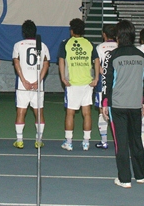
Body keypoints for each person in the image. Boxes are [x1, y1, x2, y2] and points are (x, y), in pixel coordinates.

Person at [101, 19, 144, 188]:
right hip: (135, 103)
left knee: (121, 143)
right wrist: (143, 101)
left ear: (117, 36)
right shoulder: (141, 56)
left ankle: (125, 179)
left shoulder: (112, 56)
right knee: (136, 140)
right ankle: (141, 175)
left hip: (118, 104)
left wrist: (105, 102)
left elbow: (107, 81)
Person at [58, 18, 98, 151]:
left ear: (71, 30)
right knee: (87, 113)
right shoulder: (89, 44)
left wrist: (63, 77)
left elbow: (61, 60)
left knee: (70, 113)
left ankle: (69, 142)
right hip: (87, 83)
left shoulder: (65, 43)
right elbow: (97, 60)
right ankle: (86, 142)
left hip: (72, 84)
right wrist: (96, 78)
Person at [12, 20, 49, 149]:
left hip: (23, 87)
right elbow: (46, 64)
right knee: (39, 113)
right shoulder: (42, 45)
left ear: (23, 32)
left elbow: (16, 63)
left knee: (20, 112)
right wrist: (38, 81)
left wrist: (23, 81)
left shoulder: (18, 45)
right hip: (38, 87)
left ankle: (19, 140)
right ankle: (38, 140)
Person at [92, 24, 118, 149]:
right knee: (118, 111)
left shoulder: (99, 47)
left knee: (102, 110)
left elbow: (98, 65)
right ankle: (120, 140)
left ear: (104, 34)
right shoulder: (119, 46)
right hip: (118, 82)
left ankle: (104, 141)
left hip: (103, 83)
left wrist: (104, 73)